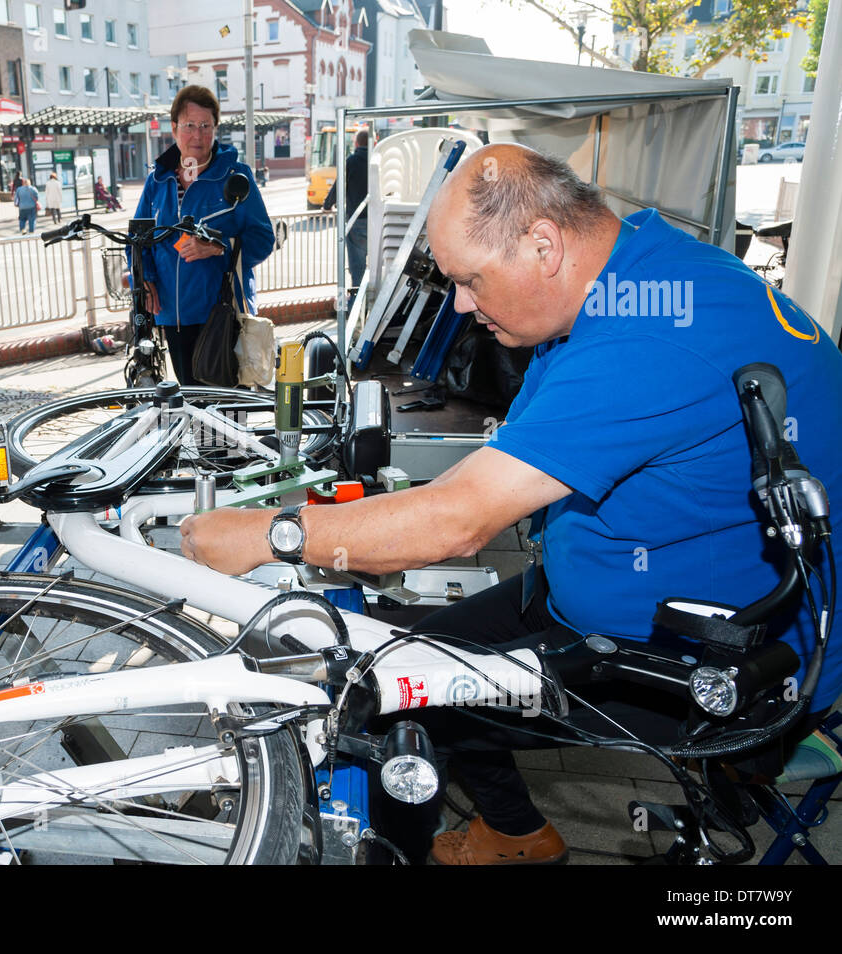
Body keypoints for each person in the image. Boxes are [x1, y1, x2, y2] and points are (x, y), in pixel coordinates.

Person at [180, 142, 842, 864]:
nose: (461, 306)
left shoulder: (644, 341)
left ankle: (425, 849)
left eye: (470, 281)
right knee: (405, 656)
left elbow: (457, 522)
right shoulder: (641, 261)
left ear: (544, 244)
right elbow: (506, 464)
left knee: (397, 701)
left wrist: (266, 534)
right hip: (618, 594)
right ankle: (519, 834)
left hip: (721, 662)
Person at [133, 85, 274, 385]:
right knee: (190, 403)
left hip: (221, 313)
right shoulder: (157, 181)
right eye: (189, 126)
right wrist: (143, 279)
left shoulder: (235, 176)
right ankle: (197, 435)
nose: (197, 135)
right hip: (172, 316)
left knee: (225, 409)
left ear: (215, 128)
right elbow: (138, 239)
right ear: (174, 129)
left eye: (205, 126)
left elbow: (263, 239)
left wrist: (219, 248)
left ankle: (225, 435)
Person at [323, 129, 369, 295]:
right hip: (378, 221)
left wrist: (327, 205)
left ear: (357, 143)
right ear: (374, 142)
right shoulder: (379, 160)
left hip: (356, 220)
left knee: (357, 267)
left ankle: (356, 304)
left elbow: (338, 187)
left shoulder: (351, 161)